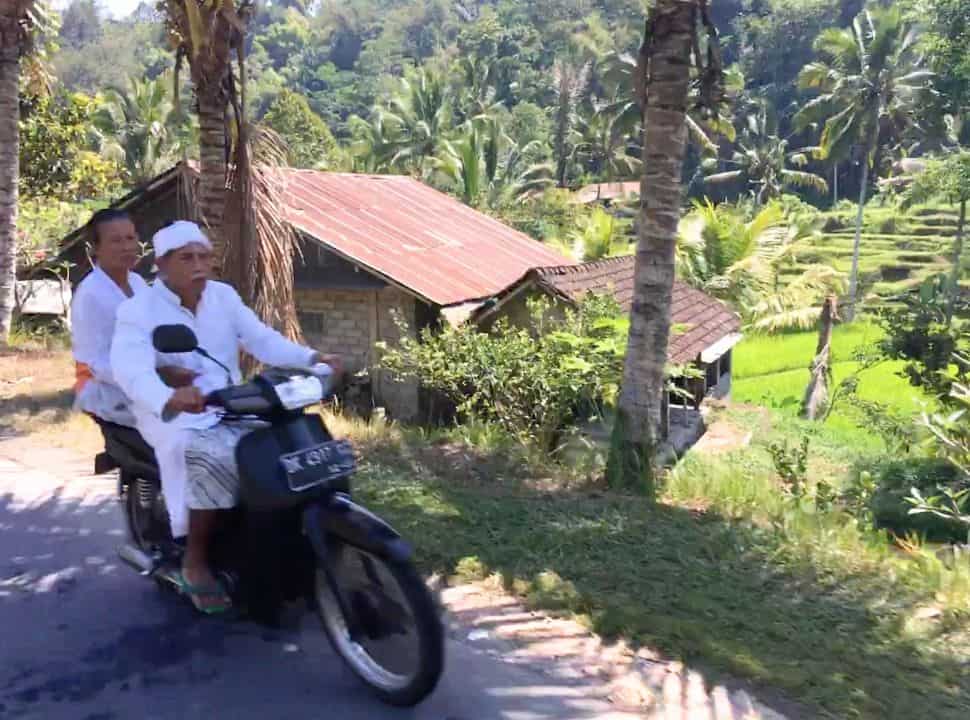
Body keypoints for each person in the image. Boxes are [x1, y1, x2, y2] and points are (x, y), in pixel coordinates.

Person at [110, 221, 340, 614]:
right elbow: (131, 368)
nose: (198, 265)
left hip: (229, 401)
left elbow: (261, 339)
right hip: (171, 413)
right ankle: (194, 559)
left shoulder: (223, 296)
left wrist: (312, 358)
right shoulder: (138, 310)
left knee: (279, 447)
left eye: (204, 256)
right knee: (206, 456)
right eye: (186, 258)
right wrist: (168, 396)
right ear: (161, 265)